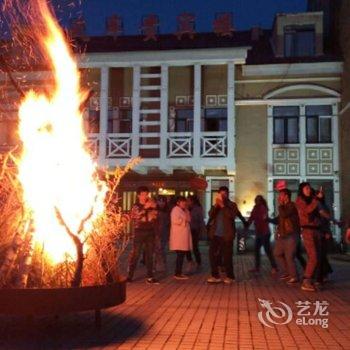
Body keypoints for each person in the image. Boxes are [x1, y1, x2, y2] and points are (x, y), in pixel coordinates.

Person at [207, 186, 247, 284]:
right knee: (212, 255)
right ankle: (215, 276)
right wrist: (217, 205)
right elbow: (210, 215)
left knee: (227, 256)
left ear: (228, 194)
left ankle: (230, 276)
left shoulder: (232, 205)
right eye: (221, 194)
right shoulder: (216, 205)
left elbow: (231, 216)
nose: (223, 196)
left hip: (227, 235)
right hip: (216, 234)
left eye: (225, 194)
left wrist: (223, 206)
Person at [127, 186, 159, 284]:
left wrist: (154, 209)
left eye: (146, 194)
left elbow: (155, 216)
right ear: (138, 195)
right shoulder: (136, 205)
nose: (145, 196)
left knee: (150, 254)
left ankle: (150, 276)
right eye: (143, 194)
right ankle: (130, 277)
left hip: (150, 231)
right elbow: (134, 216)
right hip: (139, 231)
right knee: (136, 254)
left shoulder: (151, 204)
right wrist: (145, 208)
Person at [295, 182, 322, 292]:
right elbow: (307, 210)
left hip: (316, 230)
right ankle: (306, 280)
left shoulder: (312, 199)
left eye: (309, 188)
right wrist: (316, 199)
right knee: (313, 256)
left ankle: (311, 279)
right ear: (301, 190)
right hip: (307, 230)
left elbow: (319, 212)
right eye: (306, 188)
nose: (309, 190)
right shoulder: (300, 200)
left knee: (317, 256)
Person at [272, 189, 300, 284]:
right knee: (277, 253)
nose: (279, 197)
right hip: (283, 235)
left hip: (291, 235)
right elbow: (279, 219)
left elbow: (283, 215)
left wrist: (280, 205)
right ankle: (287, 272)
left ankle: (294, 276)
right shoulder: (284, 207)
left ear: (286, 196)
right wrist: (267, 219)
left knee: (289, 257)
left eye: (281, 195)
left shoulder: (291, 206)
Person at [247, 195, 277, 274]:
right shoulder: (256, 208)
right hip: (259, 232)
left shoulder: (263, 208)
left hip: (264, 232)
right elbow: (251, 217)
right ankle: (257, 267)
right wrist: (247, 224)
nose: (256, 201)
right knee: (257, 250)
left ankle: (274, 267)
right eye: (256, 200)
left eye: (258, 200)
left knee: (267, 250)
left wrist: (249, 223)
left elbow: (261, 218)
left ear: (261, 201)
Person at [169, 196, 192, 280]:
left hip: (183, 236)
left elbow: (189, 219)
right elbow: (175, 221)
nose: (184, 203)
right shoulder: (175, 210)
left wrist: (186, 215)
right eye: (182, 202)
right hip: (179, 236)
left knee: (181, 255)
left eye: (184, 202)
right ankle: (177, 273)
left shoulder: (185, 210)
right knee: (180, 255)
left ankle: (178, 272)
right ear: (178, 203)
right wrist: (184, 220)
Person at [185, 195, 204, 269]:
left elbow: (200, 220)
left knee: (195, 247)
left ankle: (198, 262)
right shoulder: (186, 208)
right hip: (187, 229)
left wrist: (201, 230)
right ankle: (190, 261)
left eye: (188, 200)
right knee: (186, 246)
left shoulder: (198, 209)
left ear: (192, 201)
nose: (187, 202)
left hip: (194, 230)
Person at [154, 196, 170, 272]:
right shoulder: (154, 211)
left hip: (164, 233)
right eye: (159, 201)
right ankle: (157, 265)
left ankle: (162, 265)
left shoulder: (167, 211)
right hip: (156, 233)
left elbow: (168, 223)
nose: (161, 203)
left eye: (163, 201)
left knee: (161, 249)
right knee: (157, 250)